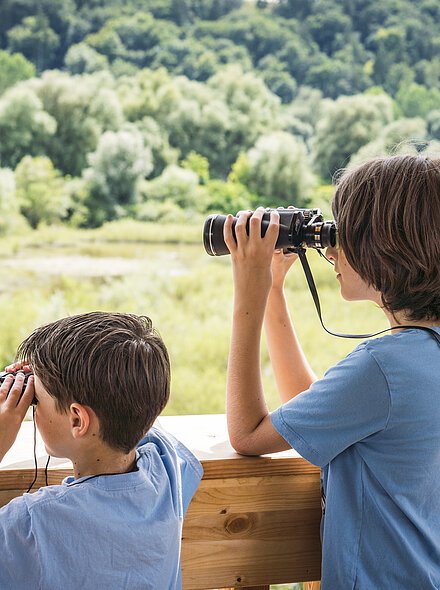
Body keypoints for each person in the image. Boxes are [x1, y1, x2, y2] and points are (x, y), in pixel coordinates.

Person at [223, 154, 440, 589]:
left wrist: (247, 294)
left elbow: (247, 434)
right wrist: (274, 292)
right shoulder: (418, 355)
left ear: (385, 248)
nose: (331, 250)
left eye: (344, 234)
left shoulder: (384, 366)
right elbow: (316, 411)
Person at [0, 311, 203, 590]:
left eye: (36, 399)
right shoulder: (166, 471)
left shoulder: (31, 522)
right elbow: (136, 408)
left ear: (77, 420)